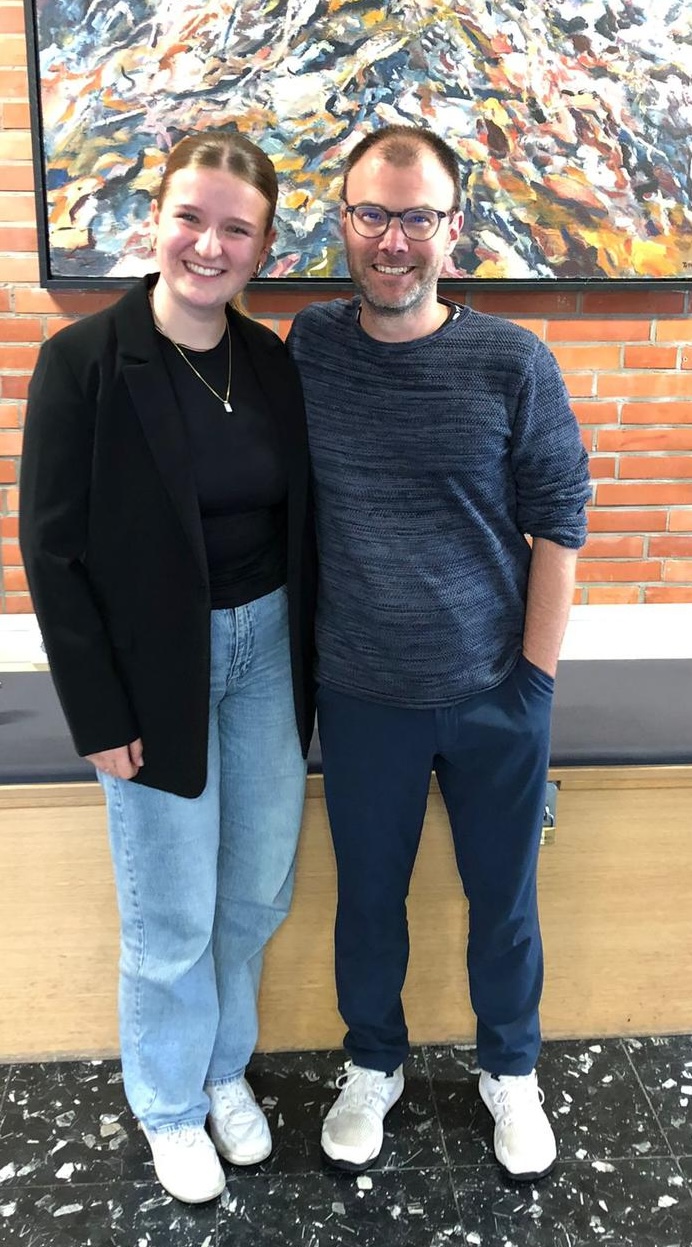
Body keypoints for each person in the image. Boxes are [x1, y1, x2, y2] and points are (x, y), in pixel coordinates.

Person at [287, 124, 591, 1181]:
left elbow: (560, 522)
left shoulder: (512, 360)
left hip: (493, 691)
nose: (393, 239)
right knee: (367, 900)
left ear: (452, 229)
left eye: (416, 216)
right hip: (361, 690)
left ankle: (510, 1068)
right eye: (372, 213)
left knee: (504, 901)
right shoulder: (309, 347)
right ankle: (373, 1061)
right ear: (344, 222)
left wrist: (534, 683)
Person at [19, 131, 316, 1205]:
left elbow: (302, 524)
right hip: (154, 671)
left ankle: (222, 1067)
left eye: (237, 229)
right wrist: (97, 711)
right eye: (191, 217)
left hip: (268, 652)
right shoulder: (84, 362)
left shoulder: (270, 361)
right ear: (157, 219)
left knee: (254, 890)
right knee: (172, 912)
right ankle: (169, 1104)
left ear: (263, 248)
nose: (209, 245)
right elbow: (51, 550)